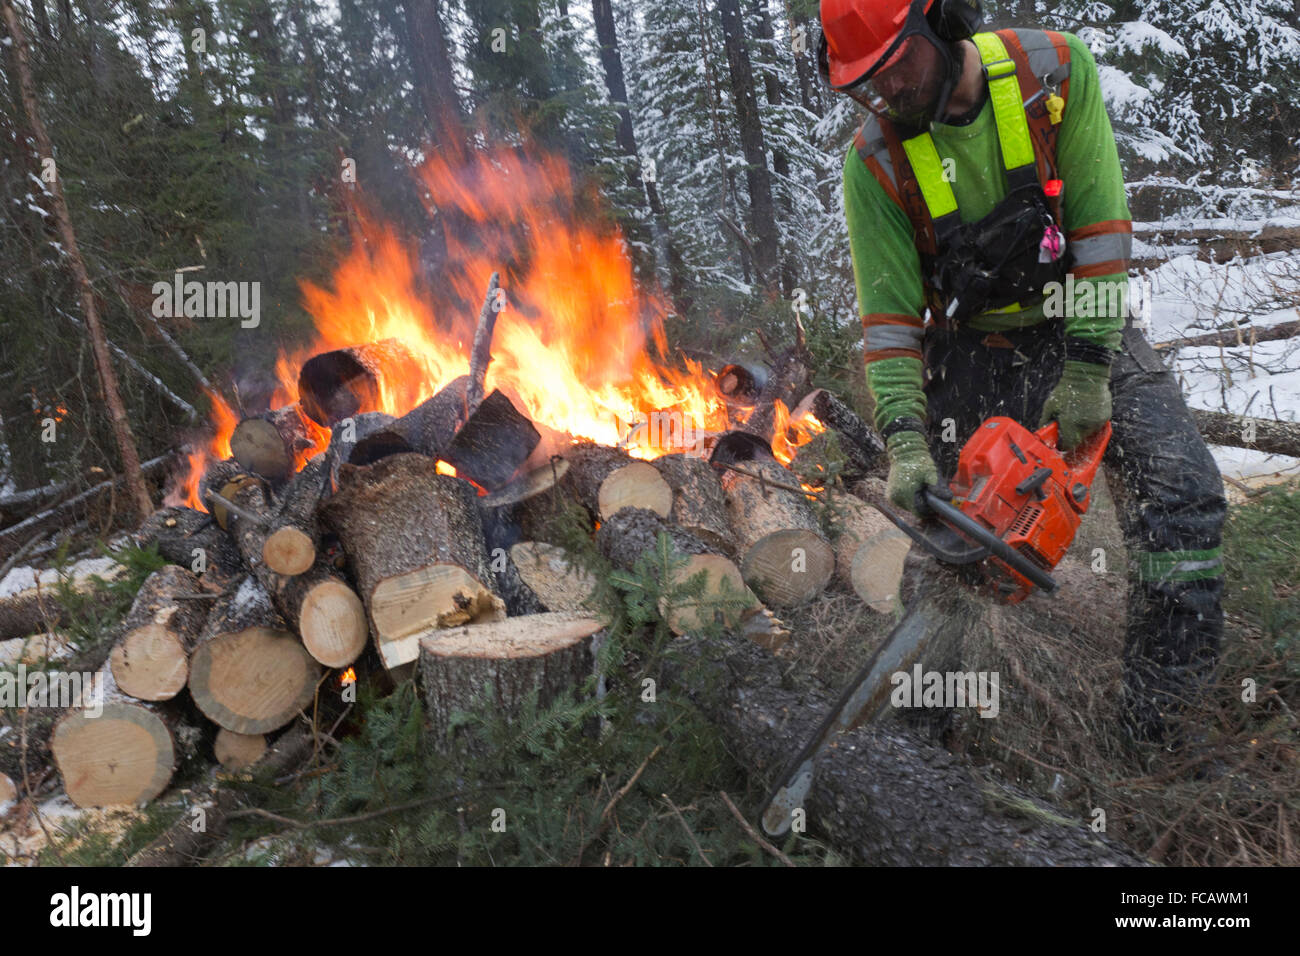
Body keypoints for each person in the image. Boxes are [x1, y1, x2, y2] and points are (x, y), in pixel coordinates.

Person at [818, 0, 1227, 744]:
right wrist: (907, 438)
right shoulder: (874, 161)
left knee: (1184, 497)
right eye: (867, 83)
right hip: (972, 349)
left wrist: (1089, 368)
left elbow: (1101, 231)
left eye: (898, 66)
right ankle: (921, 752)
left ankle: (1162, 730)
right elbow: (889, 321)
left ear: (942, 25)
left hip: (1081, 321)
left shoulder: (1054, 72)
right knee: (949, 549)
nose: (889, 93)